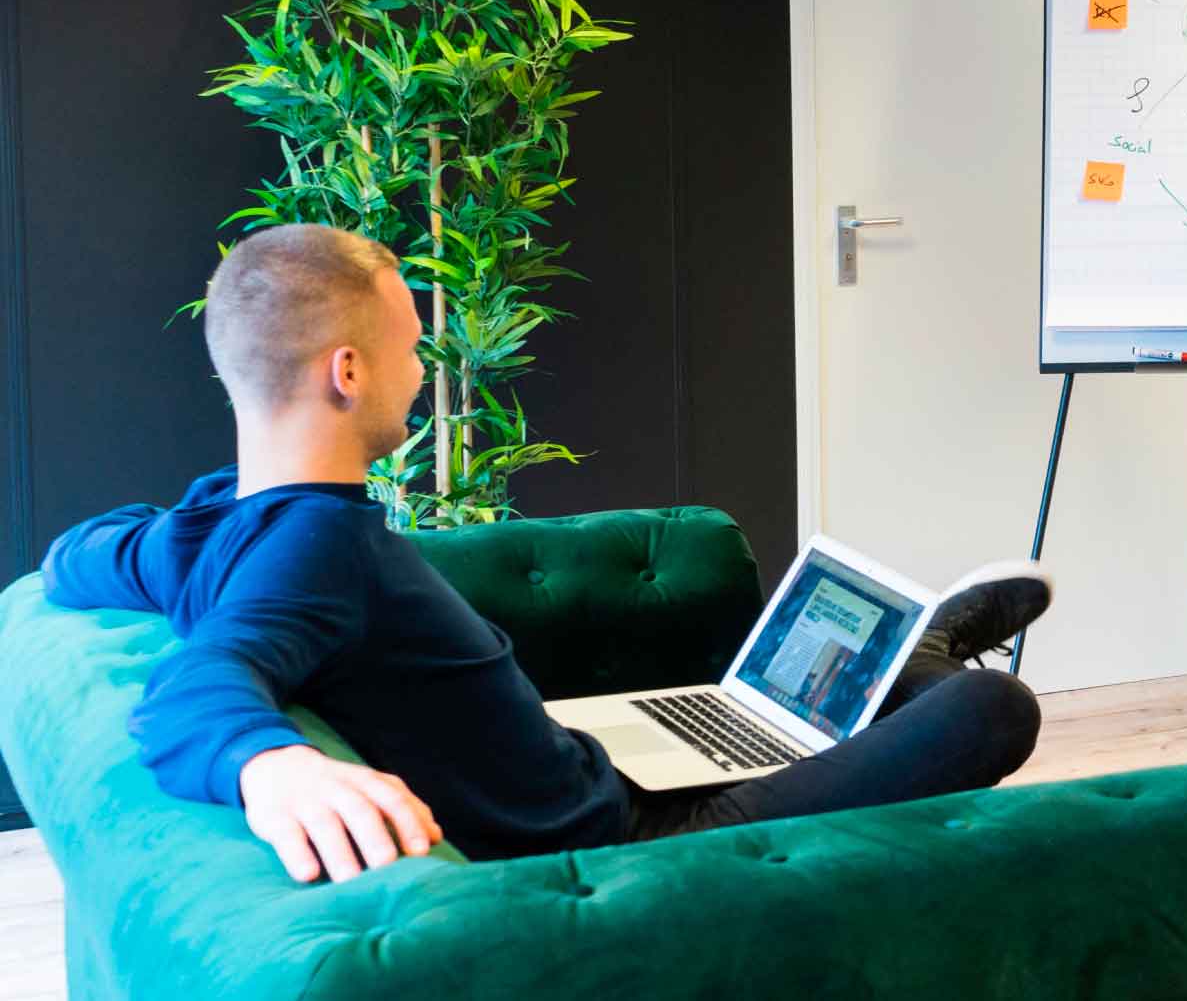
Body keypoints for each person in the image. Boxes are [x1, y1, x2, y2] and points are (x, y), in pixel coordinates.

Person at [42, 224, 1051, 882]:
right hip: (636, 851)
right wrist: (272, 768)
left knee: (770, 708)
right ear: (347, 372)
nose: (420, 369)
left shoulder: (210, 525)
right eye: (409, 348)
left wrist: (153, 541)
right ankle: (916, 659)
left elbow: (71, 557)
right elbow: (194, 685)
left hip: (600, 771)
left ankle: (900, 658)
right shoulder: (315, 552)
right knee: (994, 708)